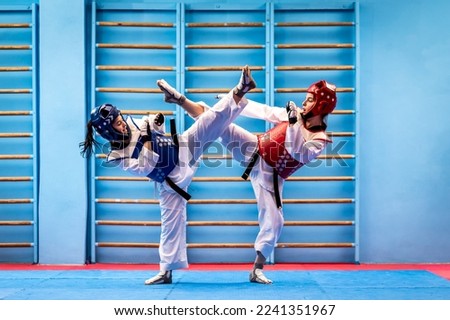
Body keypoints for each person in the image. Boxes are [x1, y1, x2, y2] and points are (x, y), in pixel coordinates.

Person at [79, 66, 256, 285]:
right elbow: (144, 167)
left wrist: (155, 121)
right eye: (117, 123)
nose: (122, 123)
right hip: (171, 181)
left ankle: (241, 89)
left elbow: (157, 124)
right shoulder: (117, 156)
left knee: (210, 120)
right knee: (171, 225)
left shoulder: (132, 123)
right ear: (108, 131)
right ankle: (166, 271)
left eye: (120, 118)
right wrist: (146, 137)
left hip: (181, 148)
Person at [158, 79, 337, 284]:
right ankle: (179, 99)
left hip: (271, 175)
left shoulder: (320, 139)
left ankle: (257, 269)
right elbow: (265, 111)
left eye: (310, 100)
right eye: (306, 99)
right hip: (254, 148)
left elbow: (298, 152)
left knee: (275, 221)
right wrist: (236, 99)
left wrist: (294, 122)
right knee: (217, 120)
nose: (304, 103)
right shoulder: (294, 114)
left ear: (321, 106)